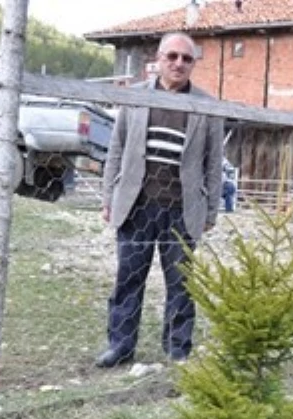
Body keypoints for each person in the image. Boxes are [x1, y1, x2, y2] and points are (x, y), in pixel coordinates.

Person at [97, 32, 224, 368]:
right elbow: (116, 150)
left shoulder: (207, 106)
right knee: (128, 280)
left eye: (186, 58)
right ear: (158, 59)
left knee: (182, 285)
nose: (179, 64)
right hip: (137, 206)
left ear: (193, 63)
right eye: (172, 57)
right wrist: (108, 196)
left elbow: (214, 164)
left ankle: (177, 349)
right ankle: (120, 348)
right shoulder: (135, 98)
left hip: (182, 211)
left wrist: (211, 211)